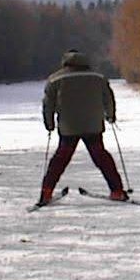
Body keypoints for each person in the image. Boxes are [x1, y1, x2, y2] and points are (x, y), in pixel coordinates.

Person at [38, 49, 127, 205]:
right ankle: (117, 190)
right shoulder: (98, 77)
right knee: (101, 157)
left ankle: (46, 192)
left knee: (60, 160)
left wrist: (49, 124)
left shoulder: (55, 79)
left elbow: (48, 104)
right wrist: (111, 115)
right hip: (93, 125)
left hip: (68, 126)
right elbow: (108, 98)